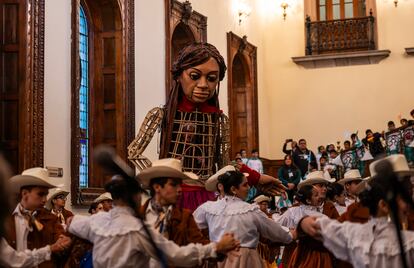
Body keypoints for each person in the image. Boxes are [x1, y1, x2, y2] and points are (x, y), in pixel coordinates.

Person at [128, 43, 229, 212]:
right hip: (172, 195)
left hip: (206, 196)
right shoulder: (160, 114)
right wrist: (159, 176)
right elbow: (134, 151)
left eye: (211, 78)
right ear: (179, 76)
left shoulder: (219, 120)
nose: (203, 84)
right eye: (195, 76)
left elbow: (224, 163)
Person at [68, 174, 239, 268]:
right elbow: (175, 255)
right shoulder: (139, 229)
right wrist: (216, 247)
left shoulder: (96, 221)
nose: (180, 190)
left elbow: (70, 223)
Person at [299, 154, 414, 268]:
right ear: (383, 204)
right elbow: (332, 229)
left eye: (409, 190)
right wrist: (304, 223)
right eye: (405, 194)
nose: (408, 202)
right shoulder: (355, 216)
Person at [193, 170, 294, 267]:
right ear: (233, 189)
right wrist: (291, 235)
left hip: (218, 259)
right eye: (245, 185)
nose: (249, 187)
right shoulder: (250, 210)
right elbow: (275, 231)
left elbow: (190, 227)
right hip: (245, 259)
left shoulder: (208, 208)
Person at [137, 158, 210, 267]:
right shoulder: (138, 216)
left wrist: (219, 248)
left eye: (180, 185)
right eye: (173, 184)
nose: (180, 189)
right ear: (157, 187)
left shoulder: (185, 216)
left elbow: (199, 244)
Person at [0, 157, 71, 268]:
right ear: (24, 194)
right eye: (40, 194)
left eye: (46, 194)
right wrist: (50, 248)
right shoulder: (6, 219)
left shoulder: (51, 219)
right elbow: (10, 259)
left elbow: (60, 238)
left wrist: (63, 240)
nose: (45, 199)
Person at [286, 171, 338, 268]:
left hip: (324, 256)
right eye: (320, 185)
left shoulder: (330, 207)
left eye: (325, 186)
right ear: (310, 188)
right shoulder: (296, 208)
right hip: (299, 256)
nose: (324, 189)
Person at [254, 195, 280, 268]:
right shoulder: (254, 216)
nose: (265, 206)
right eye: (263, 204)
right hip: (258, 246)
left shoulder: (269, 216)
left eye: (266, 204)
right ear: (258, 205)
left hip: (268, 246)